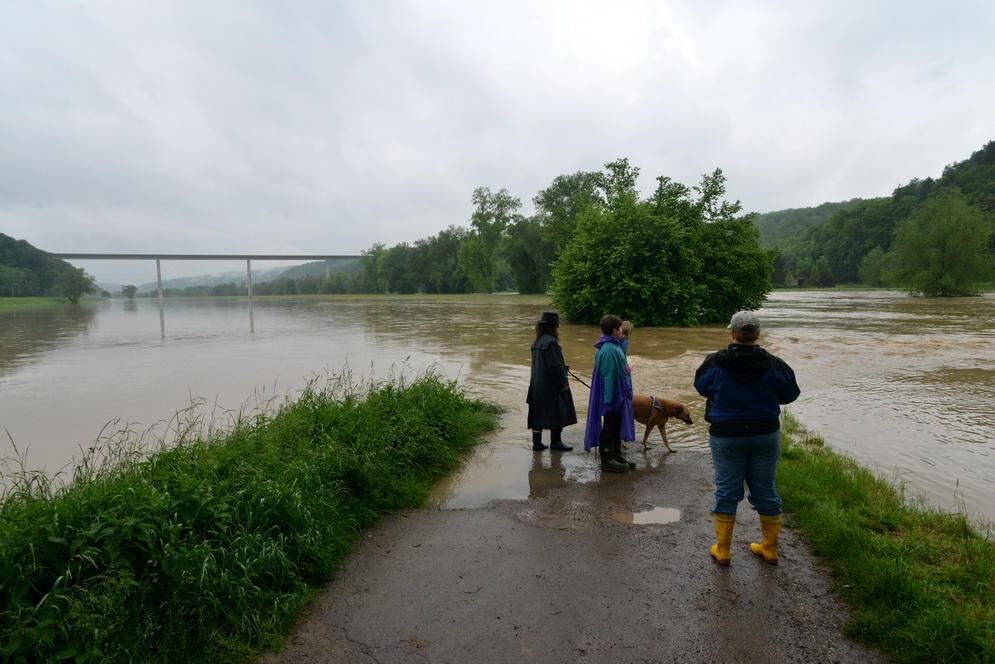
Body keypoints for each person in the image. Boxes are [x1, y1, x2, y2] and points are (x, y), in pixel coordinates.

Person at [693, 310, 800, 565]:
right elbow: (790, 393)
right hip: (765, 433)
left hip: (727, 435)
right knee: (765, 490)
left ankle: (723, 550)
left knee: (727, 490)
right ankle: (770, 549)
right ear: (757, 334)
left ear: (733, 333)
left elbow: (700, 387)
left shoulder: (715, 362)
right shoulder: (775, 364)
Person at [584, 315, 636, 472]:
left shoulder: (614, 346)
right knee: (609, 425)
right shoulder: (608, 350)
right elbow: (608, 377)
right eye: (620, 328)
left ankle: (616, 455)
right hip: (613, 396)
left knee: (616, 425)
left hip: (619, 394)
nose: (622, 331)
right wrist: (608, 401)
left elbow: (620, 370)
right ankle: (607, 460)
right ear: (614, 330)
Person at [527, 311, 577, 452]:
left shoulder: (537, 342)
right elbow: (554, 367)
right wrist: (563, 384)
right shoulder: (551, 343)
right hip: (551, 386)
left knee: (537, 413)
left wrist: (562, 367)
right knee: (558, 411)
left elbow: (543, 364)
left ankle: (537, 444)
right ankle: (556, 442)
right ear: (553, 327)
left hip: (536, 385)